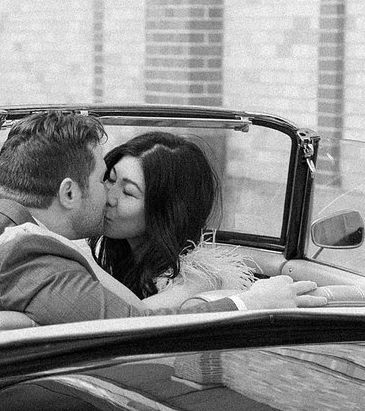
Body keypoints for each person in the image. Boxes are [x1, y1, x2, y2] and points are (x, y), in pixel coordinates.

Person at [0, 110, 323, 326]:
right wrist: (247, 305)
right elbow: (140, 330)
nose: (108, 193)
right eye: (104, 176)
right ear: (68, 192)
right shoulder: (33, 260)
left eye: (123, 187)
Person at [94, 131, 258, 308]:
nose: (108, 197)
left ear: (166, 210)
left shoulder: (199, 276)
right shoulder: (118, 257)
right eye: (110, 179)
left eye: (128, 192)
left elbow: (135, 320)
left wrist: (77, 257)